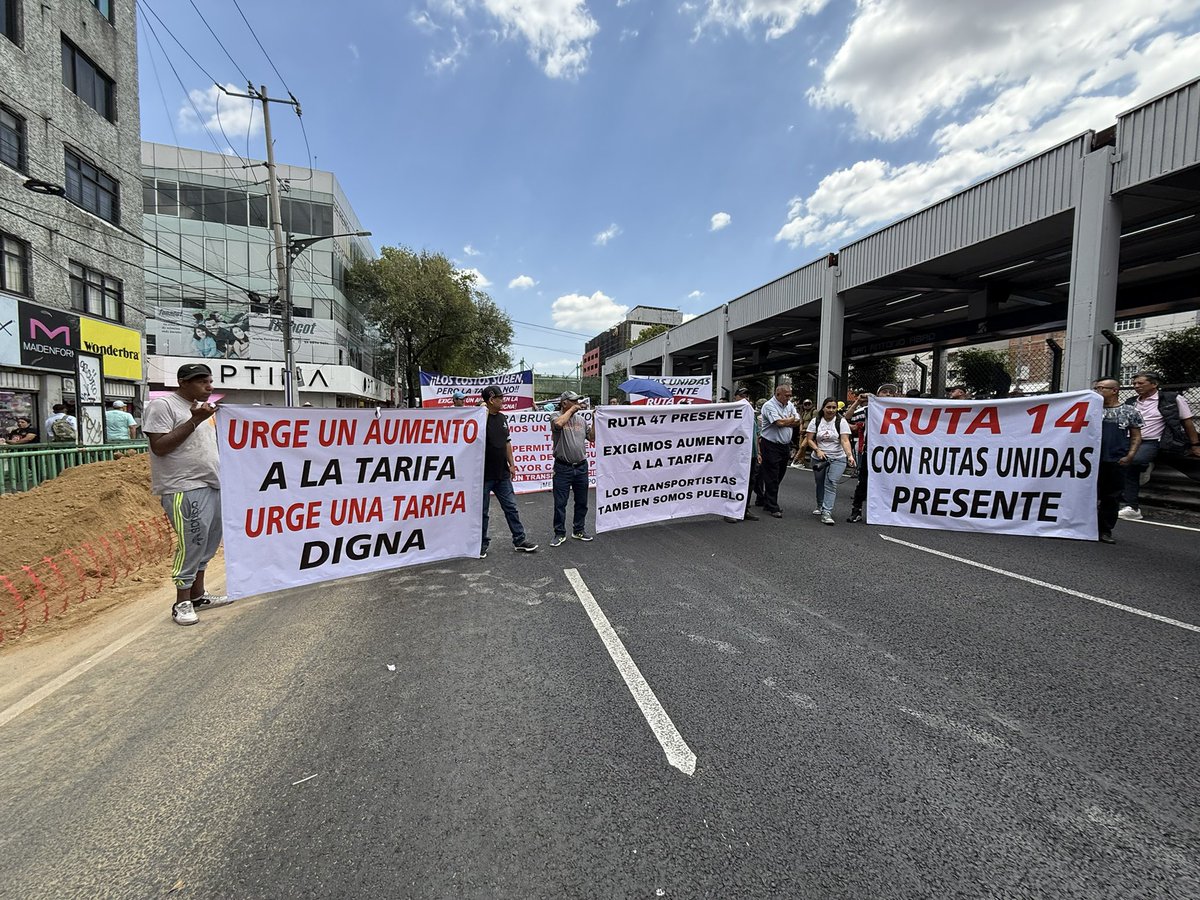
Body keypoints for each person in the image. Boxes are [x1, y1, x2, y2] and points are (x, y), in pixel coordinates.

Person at [142, 363, 232, 626]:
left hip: (211, 484)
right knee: (192, 542)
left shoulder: (204, 411)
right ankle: (181, 602)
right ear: (183, 382)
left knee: (207, 543)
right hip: (183, 487)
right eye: (202, 382)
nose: (209, 387)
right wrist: (195, 420)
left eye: (210, 381)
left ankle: (198, 596)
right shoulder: (164, 407)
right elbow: (159, 447)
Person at [1119, 371, 1200, 520]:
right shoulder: (1131, 402)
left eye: (1140, 383)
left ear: (1154, 384)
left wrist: (1195, 444)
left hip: (1154, 441)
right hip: (1130, 440)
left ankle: (1132, 505)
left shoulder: (1171, 399)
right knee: (1122, 463)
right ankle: (1132, 505)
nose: (1136, 386)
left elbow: (1187, 422)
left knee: (1133, 462)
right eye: (1135, 383)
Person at [480, 384, 538, 557]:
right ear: (491, 400)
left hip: (502, 473)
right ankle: (481, 544)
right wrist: (482, 409)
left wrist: (511, 464)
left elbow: (507, 443)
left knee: (511, 507)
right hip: (483, 475)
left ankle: (519, 540)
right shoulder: (479, 418)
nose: (503, 401)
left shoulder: (503, 418)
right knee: (482, 512)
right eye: (500, 398)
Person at [1093, 378, 1142, 544]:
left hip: (1115, 459)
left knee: (1111, 496)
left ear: (1114, 390)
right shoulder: (1090, 410)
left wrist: (1130, 455)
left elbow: (1136, 435)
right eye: (1096, 388)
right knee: (1088, 494)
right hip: (1091, 460)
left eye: (1102, 388)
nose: (1098, 391)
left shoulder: (1129, 411)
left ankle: (1105, 530)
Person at [845, 383, 898, 523]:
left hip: (895, 453)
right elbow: (847, 418)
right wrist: (858, 401)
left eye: (890, 393)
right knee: (863, 482)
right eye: (884, 392)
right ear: (877, 395)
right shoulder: (869, 410)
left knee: (892, 482)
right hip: (873, 453)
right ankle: (856, 510)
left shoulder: (902, 410)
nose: (887, 394)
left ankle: (891, 512)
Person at [549, 390, 595, 546]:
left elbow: (592, 438)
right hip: (563, 468)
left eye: (577, 401)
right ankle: (559, 533)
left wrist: (595, 419)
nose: (577, 403)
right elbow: (559, 425)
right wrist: (571, 410)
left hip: (581, 466)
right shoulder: (555, 416)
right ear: (564, 403)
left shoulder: (581, 420)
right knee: (560, 503)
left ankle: (579, 530)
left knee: (582, 502)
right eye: (573, 401)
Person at [803, 397, 856, 525]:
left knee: (831, 483)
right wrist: (817, 450)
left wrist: (849, 455)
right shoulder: (816, 421)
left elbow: (844, 440)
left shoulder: (841, 421)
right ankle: (820, 505)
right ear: (823, 408)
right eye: (829, 407)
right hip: (819, 458)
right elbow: (809, 439)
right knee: (820, 482)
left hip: (837, 457)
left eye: (834, 407)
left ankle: (827, 512)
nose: (831, 410)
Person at [758, 382, 802, 518]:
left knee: (780, 474)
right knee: (772, 475)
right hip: (770, 444)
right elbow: (778, 423)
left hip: (784, 445)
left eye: (790, 395)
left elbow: (798, 420)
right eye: (786, 395)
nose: (788, 398)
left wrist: (787, 420)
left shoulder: (789, 405)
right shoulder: (769, 406)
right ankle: (772, 506)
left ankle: (765, 498)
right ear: (778, 394)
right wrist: (790, 420)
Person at [724, 386, 761, 523]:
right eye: (742, 395)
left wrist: (758, 452)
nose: (745, 398)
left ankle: (743, 509)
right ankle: (729, 511)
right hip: (736, 455)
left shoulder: (751, 413)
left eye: (747, 395)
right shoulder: (732, 412)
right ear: (735, 397)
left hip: (750, 454)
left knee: (749, 482)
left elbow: (756, 434)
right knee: (733, 481)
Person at [790, 399, 816, 468]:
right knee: (801, 447)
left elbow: (814, 423)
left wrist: (806, 430)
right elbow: (801, 422)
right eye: (805, 404)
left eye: (808, 404)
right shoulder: (804, 412)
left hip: (810, 432)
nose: (807, 406)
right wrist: (801, 430)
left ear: (811, 404)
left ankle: (795, 460)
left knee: (803, 446)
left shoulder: (814, 412)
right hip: (803, 432)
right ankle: (801, 462)